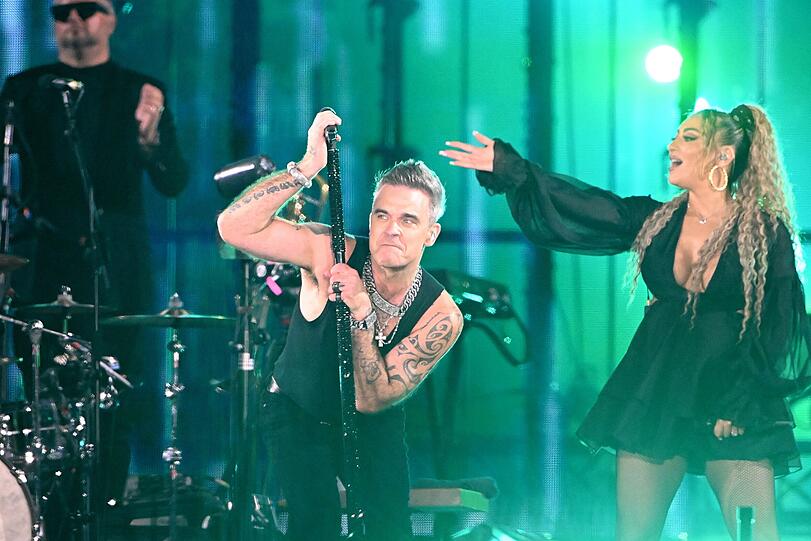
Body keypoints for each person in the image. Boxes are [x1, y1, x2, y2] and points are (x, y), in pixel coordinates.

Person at [440, 104, 811, 541]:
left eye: (688, 137)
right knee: (633, 534)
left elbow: (778, 324)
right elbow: (586, 206)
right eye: (675, 135)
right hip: (657, 388)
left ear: (723, 155)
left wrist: (740, 402)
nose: (672, 145)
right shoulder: (655, 220)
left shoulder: (764, 232)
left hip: (731, 392)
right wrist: (512, 169)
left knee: (758, 535)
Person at [218, 109, 464, 541]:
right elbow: (233, 228)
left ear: (431, 233)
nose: (392, 230)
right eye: (382, 215)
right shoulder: (329, 251)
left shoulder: (441, 316)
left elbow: (373, 400)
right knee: (317, 527)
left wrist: (362, 311)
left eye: (408, 220)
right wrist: (306, 167)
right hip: (297, 409)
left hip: (373, 421)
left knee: (391, 530)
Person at [1, 0, 187, 507]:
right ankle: (45, 517)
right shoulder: (24, 89)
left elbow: (174, 181)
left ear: (111, 18)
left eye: (87, 8)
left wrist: (150, 140)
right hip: (42, 260)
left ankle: (106, 515)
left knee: (114, 398)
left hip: (115, 266)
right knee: (43, 399)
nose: (75, 20)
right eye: (62, 11)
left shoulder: (139, 90)